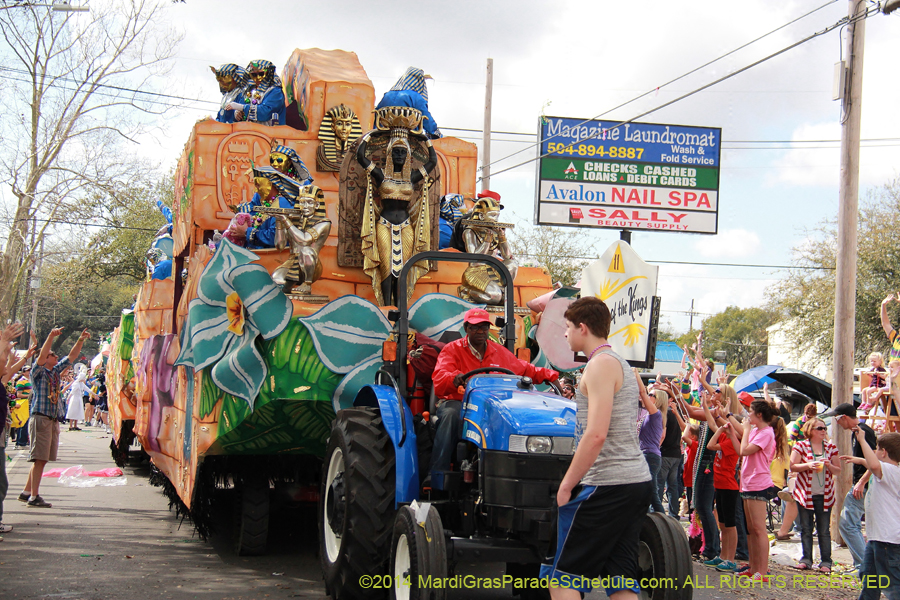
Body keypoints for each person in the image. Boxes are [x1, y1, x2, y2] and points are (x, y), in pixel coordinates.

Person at [540, 296, 652, 600]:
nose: (565, 334)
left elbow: (596, 435)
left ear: (583, 328)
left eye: (568, 327)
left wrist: (567, 485)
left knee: (561, 576)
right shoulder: (621, 364)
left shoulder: (600, 365)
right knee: (622, 577)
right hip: (634, 481)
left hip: (609, 483)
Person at [430, 308, 559, 477]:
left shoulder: (499, 352)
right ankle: (437, 474)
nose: (480, 332)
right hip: (460, 402)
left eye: (484, 327)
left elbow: (524, 369)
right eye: (475, 327)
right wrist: (454, 378)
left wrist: (551, 376)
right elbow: (440, 377)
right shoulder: (452, 350)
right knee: (450, 416)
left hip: (491, 405)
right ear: (466, 328)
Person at [18, 327, 90, 509]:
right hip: (41, 418)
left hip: (51, 419)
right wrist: (50, 336)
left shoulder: (55, 372)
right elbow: (41, 357)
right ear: (45, 359)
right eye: (53, 355)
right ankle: (34, 497)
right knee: (39, 458)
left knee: (41, 458)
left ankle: (26, 492)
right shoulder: (38, 372)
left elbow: (72, 357)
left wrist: (80, 340)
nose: (56, 357)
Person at [722, 400, 786, 581]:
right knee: (750, 528)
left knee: (759, 530)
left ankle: (762, 571)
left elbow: (745, 451)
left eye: (750, 412)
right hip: (748, 482)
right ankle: (753, 566)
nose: (747, 415)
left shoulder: (765, 433)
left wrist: (746, 430)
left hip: (759, 483)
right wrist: (732, 433)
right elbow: (740, 448)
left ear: (759, 415)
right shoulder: (757, 431)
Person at [840, 431, 900, 599]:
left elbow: (874, 465)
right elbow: (872, 465)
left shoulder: (890, 471)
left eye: (877, 449)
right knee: (869, 579)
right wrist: (859, 460)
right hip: (878, 538)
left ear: (884, 452)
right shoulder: (887, 470)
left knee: (892, 585)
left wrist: (861, 440)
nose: (875, 451)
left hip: (888, 540)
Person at [824, 402, 878, 572]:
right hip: (863, 484)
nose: (837, 423)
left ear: (845, 417)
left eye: (838, 419)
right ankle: (863, 565)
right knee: (851, 524)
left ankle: (864, 566)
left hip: (864, 485)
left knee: (847, 524)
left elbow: (875, 460)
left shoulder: (863, 431)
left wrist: (862, 482)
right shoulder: (858, 432)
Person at [789, 417, 841, 572]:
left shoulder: (830, 447)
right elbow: (792, 466)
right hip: (806, 493)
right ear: (810, 430)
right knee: (806, 528)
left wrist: (829, 465)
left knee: (824, 530)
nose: (823, 431)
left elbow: (838, 470)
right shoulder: (801, 446)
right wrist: (808, 465)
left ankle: (826, 561)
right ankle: (806, 559)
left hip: (825, 494)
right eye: (820, 428)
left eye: (824, 428)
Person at [701, 392, 741, 572]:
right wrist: (705, 404)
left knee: (730, 525)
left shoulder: (732, 441)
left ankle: (730, 559)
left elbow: (710, 445)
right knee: (723, 524)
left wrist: (722, 427)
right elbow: (712, 423)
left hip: (729, 486)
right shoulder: (724, 436)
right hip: (720, 484)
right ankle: (723, 556)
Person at [376, 67, 442, 139]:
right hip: (409, 138)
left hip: (383, 136)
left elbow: (376, 115)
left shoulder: (387, 95)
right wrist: (437, 133)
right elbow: (426, 119)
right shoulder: (416, 97)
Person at [635, 381, 663, 513]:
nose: (648, 395)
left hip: (650, 456)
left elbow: (642, 393)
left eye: (651, 394)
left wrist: (636, 375)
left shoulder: (655, 414)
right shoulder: (647, 414)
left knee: (652, 493)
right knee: (646, 492)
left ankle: (664, 523)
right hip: (647, 455)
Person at [232, 59, 285, 126]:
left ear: (268, 73)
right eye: (253, 74)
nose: (257, 77)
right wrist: (237, 113)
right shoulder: (250, 91)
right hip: (248, 132)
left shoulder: (275, 92)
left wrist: (243, 108)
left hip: (270, 134)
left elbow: (265, 113)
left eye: (261, 73)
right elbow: (241, 105)